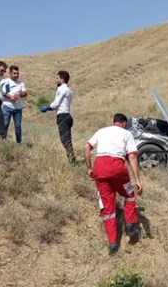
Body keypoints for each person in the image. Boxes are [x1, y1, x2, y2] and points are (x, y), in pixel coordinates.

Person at [84, 113, 144, 256]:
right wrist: (137, 180)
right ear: (124, 123)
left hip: (100, 169)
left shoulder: (101, 131)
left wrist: (89, 168)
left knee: (108, 208)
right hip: (117, 168)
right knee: (130, 193)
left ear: (113, 122)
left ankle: (112, 244)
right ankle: (129, 223)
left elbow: (86, 147)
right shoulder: (126, 133)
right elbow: (132, 156)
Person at [40, 70, 76, 162]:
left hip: (62, 116)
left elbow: (56, 104)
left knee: (65, 140)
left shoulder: (61, 89)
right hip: (68, 115)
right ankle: (72, 160)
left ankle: (72, 161)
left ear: (62, 79)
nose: (56, 80)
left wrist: (47, 108)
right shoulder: (70, 91)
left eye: (57, 78)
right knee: (68, 139)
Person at [0, 65, 27, 143]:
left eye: (18, 73)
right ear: (10, 73)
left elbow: (25, 93)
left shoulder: (21, 82)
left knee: (18, 127)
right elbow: (2, 92)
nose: (16, 75)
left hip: (18, 108)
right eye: (14, 73)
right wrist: (10, 97)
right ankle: (2, 141)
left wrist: (20, 94)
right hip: (7, 107)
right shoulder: (5, 81)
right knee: (5, 124)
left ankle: (19, 143)